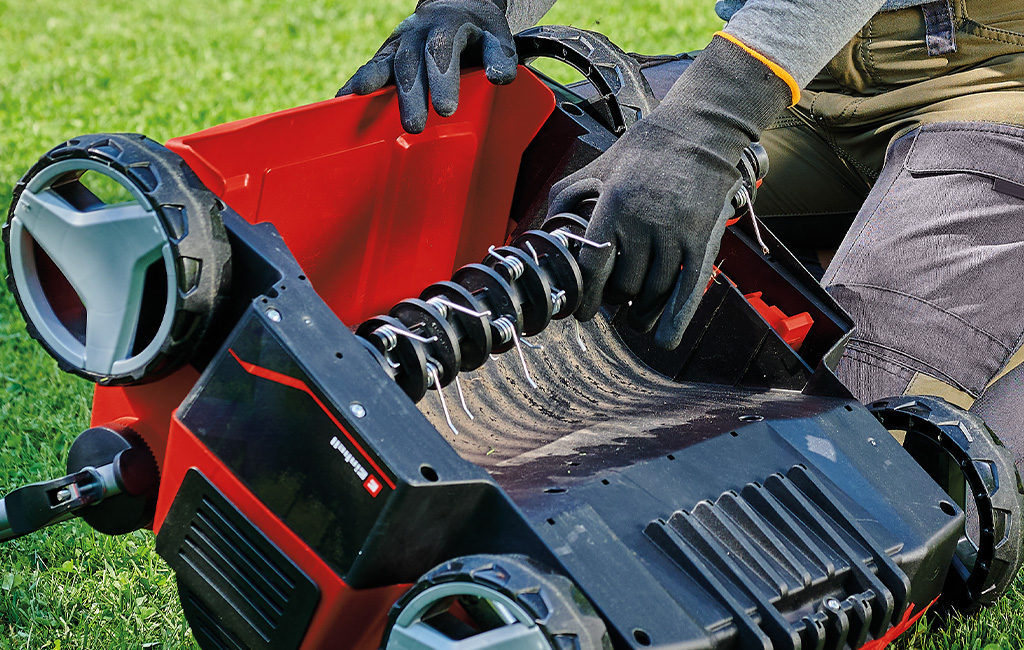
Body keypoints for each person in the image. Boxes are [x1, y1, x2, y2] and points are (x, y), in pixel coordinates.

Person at [339, 0, 1024, 466]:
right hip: (814, 69)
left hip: (1000, 75)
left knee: (871, 453)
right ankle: (828, 265)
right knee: (559, 176)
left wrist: (707, 126)